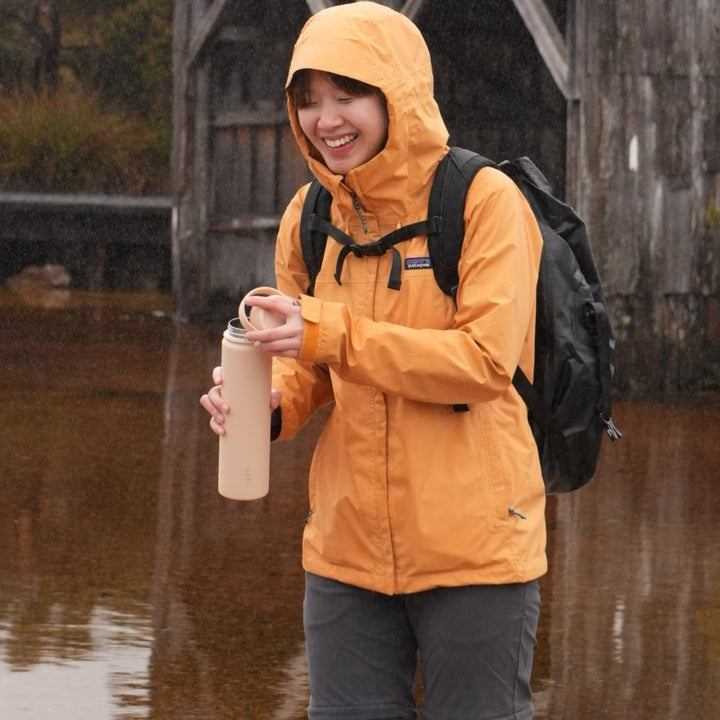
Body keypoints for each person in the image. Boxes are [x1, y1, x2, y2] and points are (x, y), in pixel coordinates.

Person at [200, 3, 546, 718]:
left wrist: (327, 334)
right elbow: (311, 370)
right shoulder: (310, 216)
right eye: (309, 100)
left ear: (399, 92)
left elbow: (482, 363)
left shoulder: (485, 202)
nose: (326, 119)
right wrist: (270, 404)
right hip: (345, 551)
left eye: (347, 94)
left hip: (475, 551)